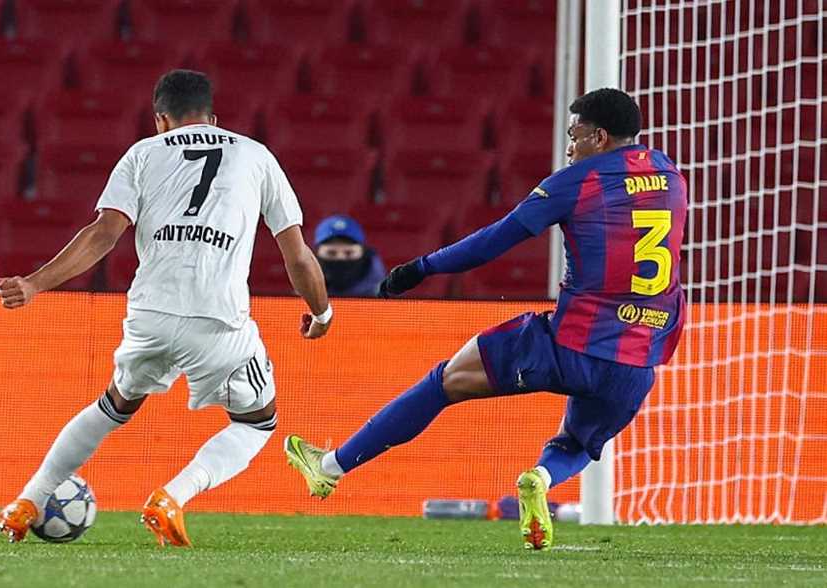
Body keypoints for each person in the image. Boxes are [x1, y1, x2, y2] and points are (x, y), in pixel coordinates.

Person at [284, 88, 687, 551]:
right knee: (577, 443)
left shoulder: (577, 181)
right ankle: (540, 478)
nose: (569, 148)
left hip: (568, 344)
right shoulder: (671, 176)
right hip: (637, 360)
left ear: (599, 137)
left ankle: (329, 467)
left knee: (444, 381)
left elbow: (494, 241)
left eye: (574, 136)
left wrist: (420, 268)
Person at [0, 70, 332, 546]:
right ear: (213, 118)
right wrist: (321, 313)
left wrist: (33, 284)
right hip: (217, 318)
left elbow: (102, 235)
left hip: (149, 314)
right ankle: (171, 497)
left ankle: (27, 501)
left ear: (161, 120)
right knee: (258, 423)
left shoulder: (142, 153)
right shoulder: (256, 155)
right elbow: (296, 255)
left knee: (113, 405)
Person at [313, 215, 385, 297]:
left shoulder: (387, 299)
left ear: (364, 253)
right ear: (316, 254)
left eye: (349, 253)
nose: (340, 258)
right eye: (331, 253)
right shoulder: (301, 299)